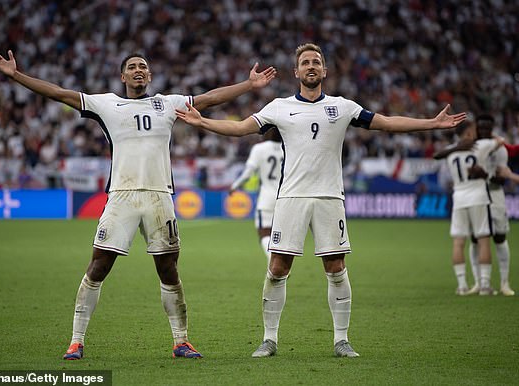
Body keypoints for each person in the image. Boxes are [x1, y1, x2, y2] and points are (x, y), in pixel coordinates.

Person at [176, 43, 467, 358]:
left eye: (316, 62)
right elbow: (240, 128)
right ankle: (269, 339)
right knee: (276, 267)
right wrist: (203, 122)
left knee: (336, 267)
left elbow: (386, 122)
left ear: (325, 71)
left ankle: (341, 340)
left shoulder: (343, 107)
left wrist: (431, 124)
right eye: (305, 62)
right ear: (297, 72)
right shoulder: (279, 106)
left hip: (330, 198)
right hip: (290, 198)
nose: (311, 66)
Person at [0, 49, 276, 360]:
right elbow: (59, 93)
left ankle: (181, 341)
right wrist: (16, 76)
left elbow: (208, 99)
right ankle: (76, 341)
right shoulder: (106, 104)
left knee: (169, 270)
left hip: (159, 197)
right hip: (122, 197)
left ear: (150, 76)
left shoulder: (168, 104)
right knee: (98, 266)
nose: (139, 70)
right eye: (132, 67)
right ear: (123, 76)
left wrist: (248, 85)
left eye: (143, 66)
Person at [435, 114, 514, 296]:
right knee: (481, 239)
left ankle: (469, 284)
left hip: (465, 197)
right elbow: (501, 141)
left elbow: (437, 155)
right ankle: (483, 284)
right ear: (472, 131)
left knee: (468, 240)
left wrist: (456, 146)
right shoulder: (481, 146)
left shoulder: (452, 150)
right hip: (479, 196)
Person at [229, 126, 283, 263]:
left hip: (267, 197)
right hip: (285, 197)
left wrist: (235, 186)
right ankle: (281, 266)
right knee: (281, 236)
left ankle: (273, 262)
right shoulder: (289, 148)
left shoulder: (260, 149)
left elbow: (248, 173)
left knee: (264, 233)